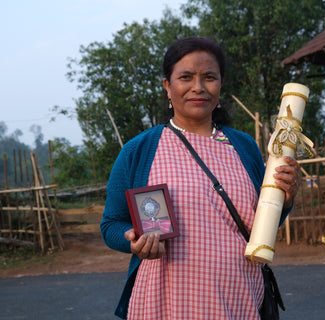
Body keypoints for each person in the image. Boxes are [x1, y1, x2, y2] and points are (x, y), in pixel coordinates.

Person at [100, 36, 301, 319]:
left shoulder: (243, 148)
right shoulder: (140, 150)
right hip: (164, 303)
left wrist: (285, 199)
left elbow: (261, 226)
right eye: (185, 77)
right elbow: (111, 224)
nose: (198, 87)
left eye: (209, 77)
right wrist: (132, 240)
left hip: (238, 297)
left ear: (220, 85)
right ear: (167, 87)